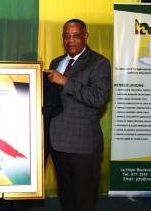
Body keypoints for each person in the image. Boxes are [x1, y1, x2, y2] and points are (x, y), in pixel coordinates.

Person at [43, 19, 111, 211]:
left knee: (83, 201)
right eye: (66, 35)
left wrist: (65, 81)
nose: (70, 40)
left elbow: (98, 98)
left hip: (83, 146)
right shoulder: (57, 62)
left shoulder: (99, 62)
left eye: (76, 35)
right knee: (66, 198)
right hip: (57, 142)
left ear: (86, 37)